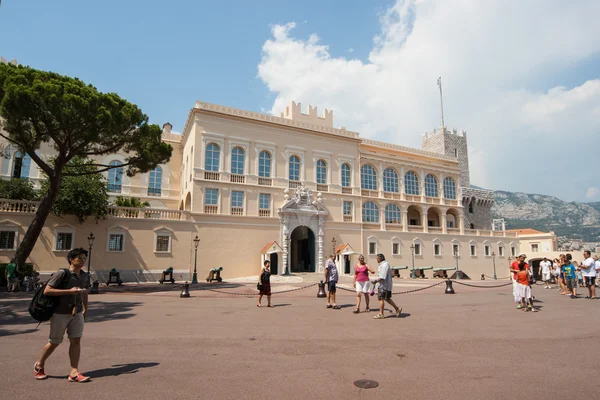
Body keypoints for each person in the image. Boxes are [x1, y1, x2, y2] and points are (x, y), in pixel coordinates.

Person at [33, 248, 90, 382]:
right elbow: (47, 290)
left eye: (84, 259)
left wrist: (86, 309)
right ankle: (39, 365)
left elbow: (85, 292)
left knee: (76, 340)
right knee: (54, 342)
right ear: (71, 259)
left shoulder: (84, 275)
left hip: (77, 313)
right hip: (60, 313)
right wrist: (69, 291)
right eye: (79, 258)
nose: (82, 261)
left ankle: (74, 372)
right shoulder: (62, 273)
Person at [371, 254, 401, 319]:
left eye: (377, 258)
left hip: (383, 285)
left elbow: (382, 277)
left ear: (379, 258)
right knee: (387, 298)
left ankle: (381, 314)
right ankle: (397, 309)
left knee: (380, 298)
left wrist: (375, 281)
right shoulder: (383, 264)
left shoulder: (384, 265)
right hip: (385, 285)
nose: (376, 260)